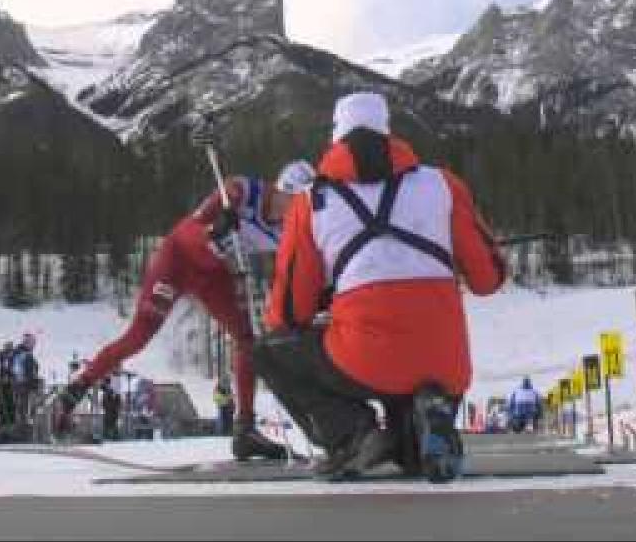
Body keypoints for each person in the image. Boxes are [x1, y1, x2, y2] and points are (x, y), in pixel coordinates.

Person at [254, 92, 506, 482]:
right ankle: (429, 412)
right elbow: (489, 280)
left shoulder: (311, 202)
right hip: (444, 362)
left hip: (363, 359)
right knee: (411, 460)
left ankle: (353, 436)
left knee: (269, 352)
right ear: (388, 133)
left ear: (336, 138)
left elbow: (289, 316)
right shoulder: (443, 185)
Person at [53, 158, 317, 461]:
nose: (295, 211)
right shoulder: (243, 191)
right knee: (138, 338)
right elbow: (192, 227)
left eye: (304, 205)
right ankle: (77, 388)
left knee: (247, 341)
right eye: (294, 202)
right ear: (281, 190)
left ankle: (244, 430)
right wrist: (215, 230)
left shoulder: (288, 229)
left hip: (214, 275)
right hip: (177, 260)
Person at [9, 333, 40, 431]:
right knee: (23, 406)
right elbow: (18, 370)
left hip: (22, 384)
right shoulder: (21, 354)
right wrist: (28, 381)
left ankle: (24, 424)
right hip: (23, 384)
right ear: (27, 342)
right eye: (32, 343)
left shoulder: (19, 353)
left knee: (23, 406)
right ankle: (23, 426)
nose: (34, 345)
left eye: (34, 343)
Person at [0, 341, 16, 428]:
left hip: (10, 386)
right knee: (0, 404)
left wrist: (10, 378)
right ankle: (3, 422)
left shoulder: (13, 360)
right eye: (7, 349)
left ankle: (11, 423)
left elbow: (15, 372)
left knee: (10, 404)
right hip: (0, 385)